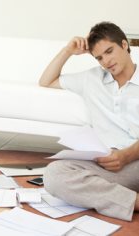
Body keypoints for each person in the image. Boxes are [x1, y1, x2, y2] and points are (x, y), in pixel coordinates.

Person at [39, 22, 139, 221]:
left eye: (109, 51)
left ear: (125, 45)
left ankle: (112, 194)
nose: (106, 62)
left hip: (134, 158)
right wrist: (67, 51)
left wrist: (127, 155)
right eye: (99, 58)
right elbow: (46, 81)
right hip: (109, 164)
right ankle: (134, 202)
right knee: (54, 175)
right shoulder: (92, 78)